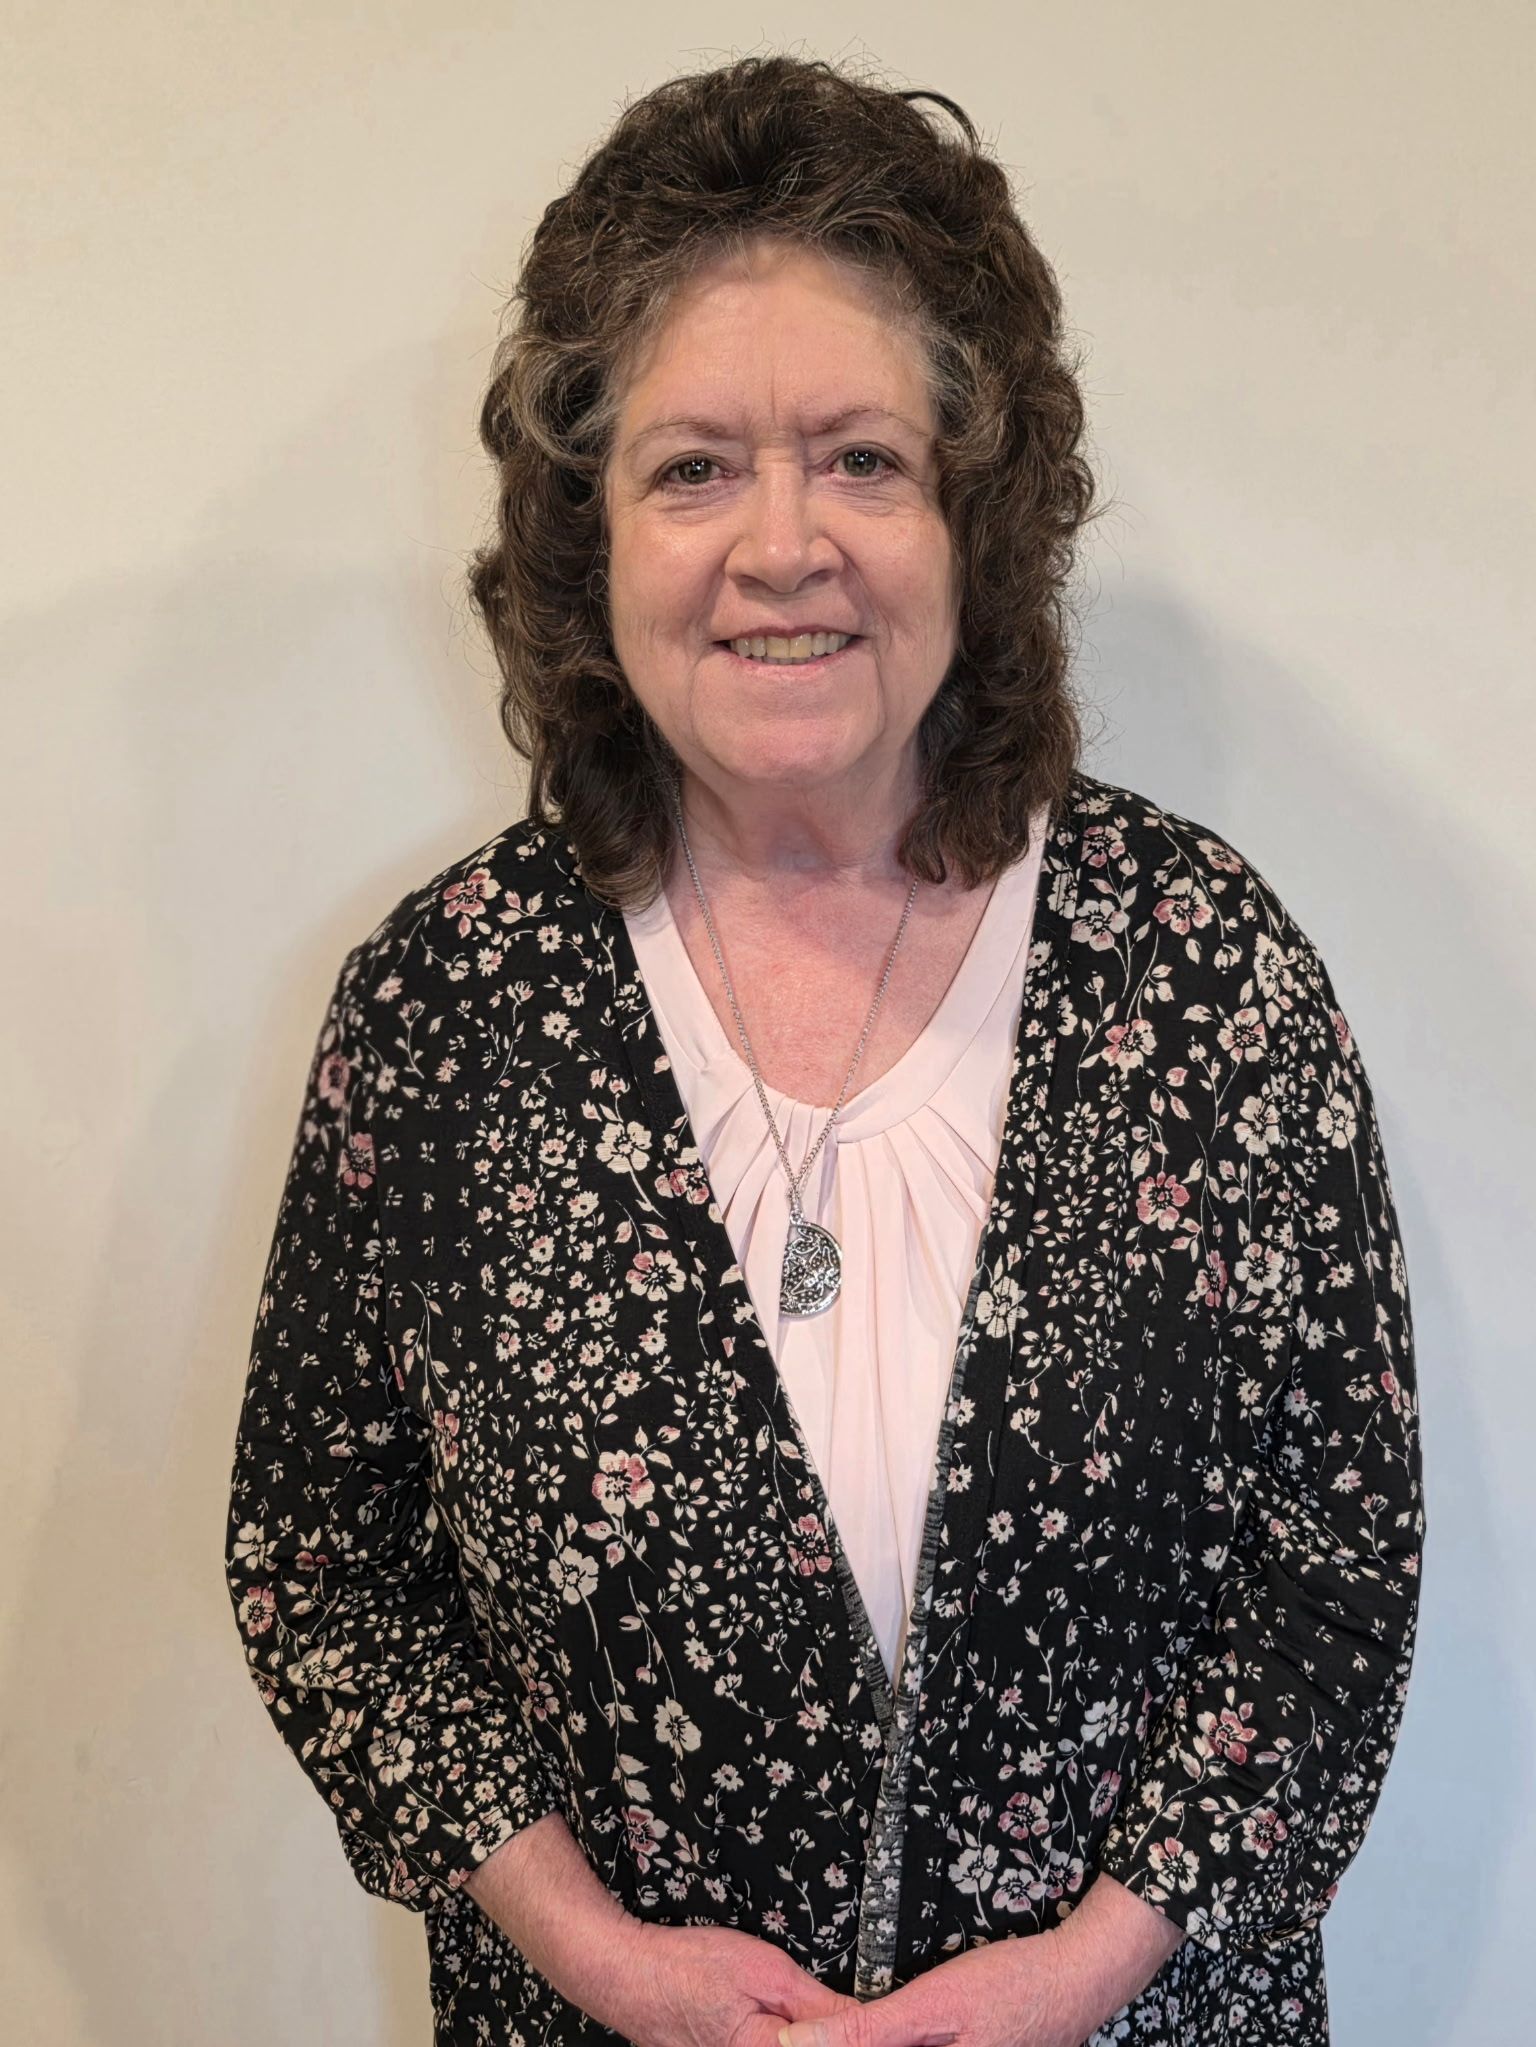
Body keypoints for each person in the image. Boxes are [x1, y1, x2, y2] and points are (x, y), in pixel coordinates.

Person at [223, 51, 1425, 2047]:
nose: (783, 544)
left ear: (978, 512)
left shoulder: (1205, 971)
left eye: (860, 458)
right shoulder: (443, 1016)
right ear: (584, 533)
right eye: (695, 466)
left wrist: (1093, 1969)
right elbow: (322, 1565)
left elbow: (1335, 1560)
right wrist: (595, 1957)